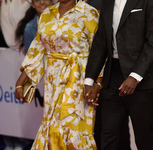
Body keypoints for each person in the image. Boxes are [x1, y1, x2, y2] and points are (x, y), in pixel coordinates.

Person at [15, 0, 99, 149]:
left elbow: (100, 51)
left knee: (73, 127)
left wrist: (97, 83)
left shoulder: (89, 13)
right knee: (52, 125)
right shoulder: (47, 13)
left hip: (78, 81)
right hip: (52, 81)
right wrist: (21, 82)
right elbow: (38, 49)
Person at [84, 0, 153, 150]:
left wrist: (135, 76)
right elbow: (101, 41)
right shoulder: (107, 2)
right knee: (108, 135)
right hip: (112, 75)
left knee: (144, 138)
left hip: (142, 77)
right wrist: (89, 80)